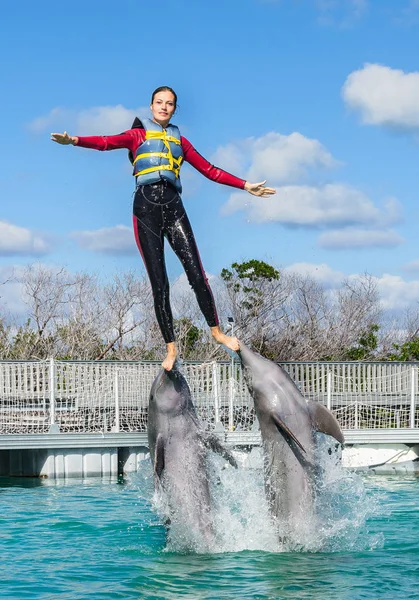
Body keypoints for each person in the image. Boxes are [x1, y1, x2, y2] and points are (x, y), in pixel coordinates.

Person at [51, 86, 276, 370]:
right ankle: (171, 349)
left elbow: (210, 170)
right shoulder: (137, 134)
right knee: (160, 283)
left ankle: (217, 333)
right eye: (159, 102)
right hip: (145, 210)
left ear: (174, 109)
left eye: (169, 104)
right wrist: (74, 140)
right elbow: (107, 142)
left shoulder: (180, 141)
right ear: (151, 105)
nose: (164, 107)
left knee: (197, 274)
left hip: (173, 206)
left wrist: (245, 185)